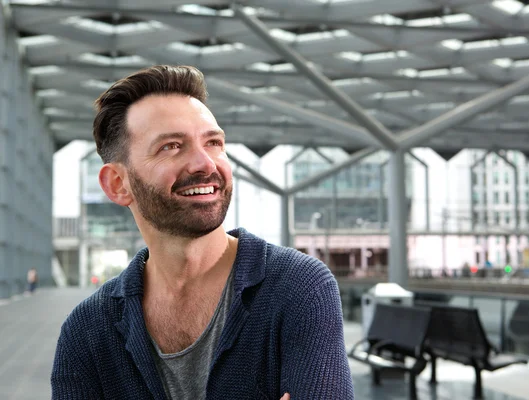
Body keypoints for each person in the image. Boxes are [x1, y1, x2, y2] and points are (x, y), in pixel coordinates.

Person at [51, 65, 353, 400]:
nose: (205, 164)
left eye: (213, 142)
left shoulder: (299, 289)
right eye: (171, 146)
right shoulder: (86, 333)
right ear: (118, 184)